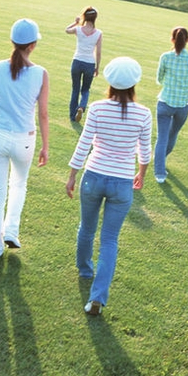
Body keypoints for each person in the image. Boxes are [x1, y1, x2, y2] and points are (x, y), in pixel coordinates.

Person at [65, 57, 152, 315]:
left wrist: (71, 175)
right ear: (135, 83)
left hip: (93, 176)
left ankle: (85, 270)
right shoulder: (143, 113)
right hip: (122, 183)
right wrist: (142, 174)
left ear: (109, 82)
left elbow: (84, 143)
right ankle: (98, 298)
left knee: (87, 229)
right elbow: (144, 151)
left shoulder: (97, 108)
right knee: (110, 240)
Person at [0, 18, 49, 258]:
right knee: (18, 185)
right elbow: (44, 115)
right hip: (24, 139)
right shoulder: (41, 73)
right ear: (32, 45)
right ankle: (11, 232)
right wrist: (46, 146)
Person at [154, 26, 188, 183]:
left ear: (172, 39)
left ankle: (159, 171)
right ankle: (160, 162)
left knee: (162, 138)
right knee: (172, 136)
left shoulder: (165, 57)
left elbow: (159, 79)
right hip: (182, 106)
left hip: (165, 102)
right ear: (187, 40)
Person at [65, 6, 102, 122]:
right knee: (85, 89)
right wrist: (97, 67)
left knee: (75, 89)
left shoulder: (78, 29)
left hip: (77, 61)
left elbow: (67, 30)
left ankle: (72, 115)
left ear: (84, 16)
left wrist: (75, 22)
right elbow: (99, 52)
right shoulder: (98, 33)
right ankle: (81, 106)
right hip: (89, 64)